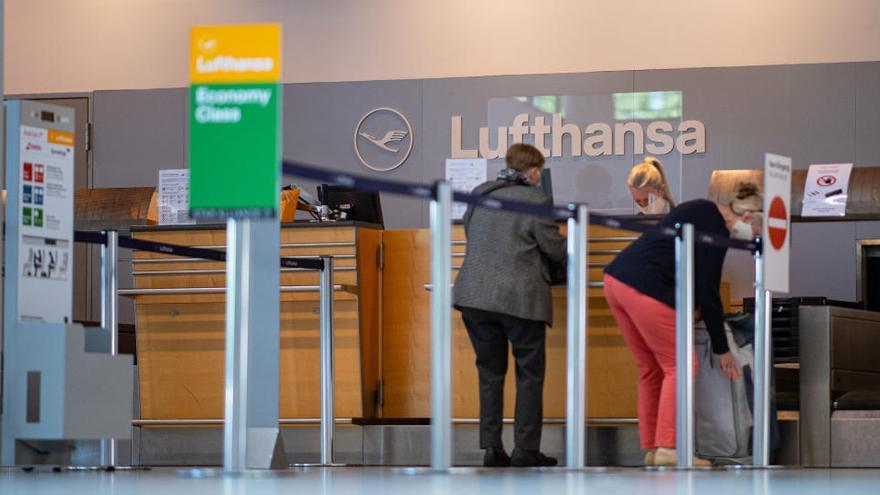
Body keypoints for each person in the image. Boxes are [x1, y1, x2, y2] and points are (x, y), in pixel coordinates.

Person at [603, 182, 763, 466]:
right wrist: (722, 348)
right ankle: (669, 447)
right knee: (681, 366)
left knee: (651, 370)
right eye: (755, 233)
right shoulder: (717, 228)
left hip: (617, 280)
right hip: (648, 287)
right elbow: (709, 288)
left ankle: (653, 448)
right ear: (747, 218)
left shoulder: (699, 207)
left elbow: (686, 267)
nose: (751, 239)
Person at [453, 143, 566, 468]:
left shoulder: (480, 192)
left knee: (490, 372)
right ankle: (525, 451)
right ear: (533, 171)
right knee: (529, 373)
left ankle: (492, 448)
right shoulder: (536, 200)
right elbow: (554, 248)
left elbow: (472, 232)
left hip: (475, 297)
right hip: (520, 297)